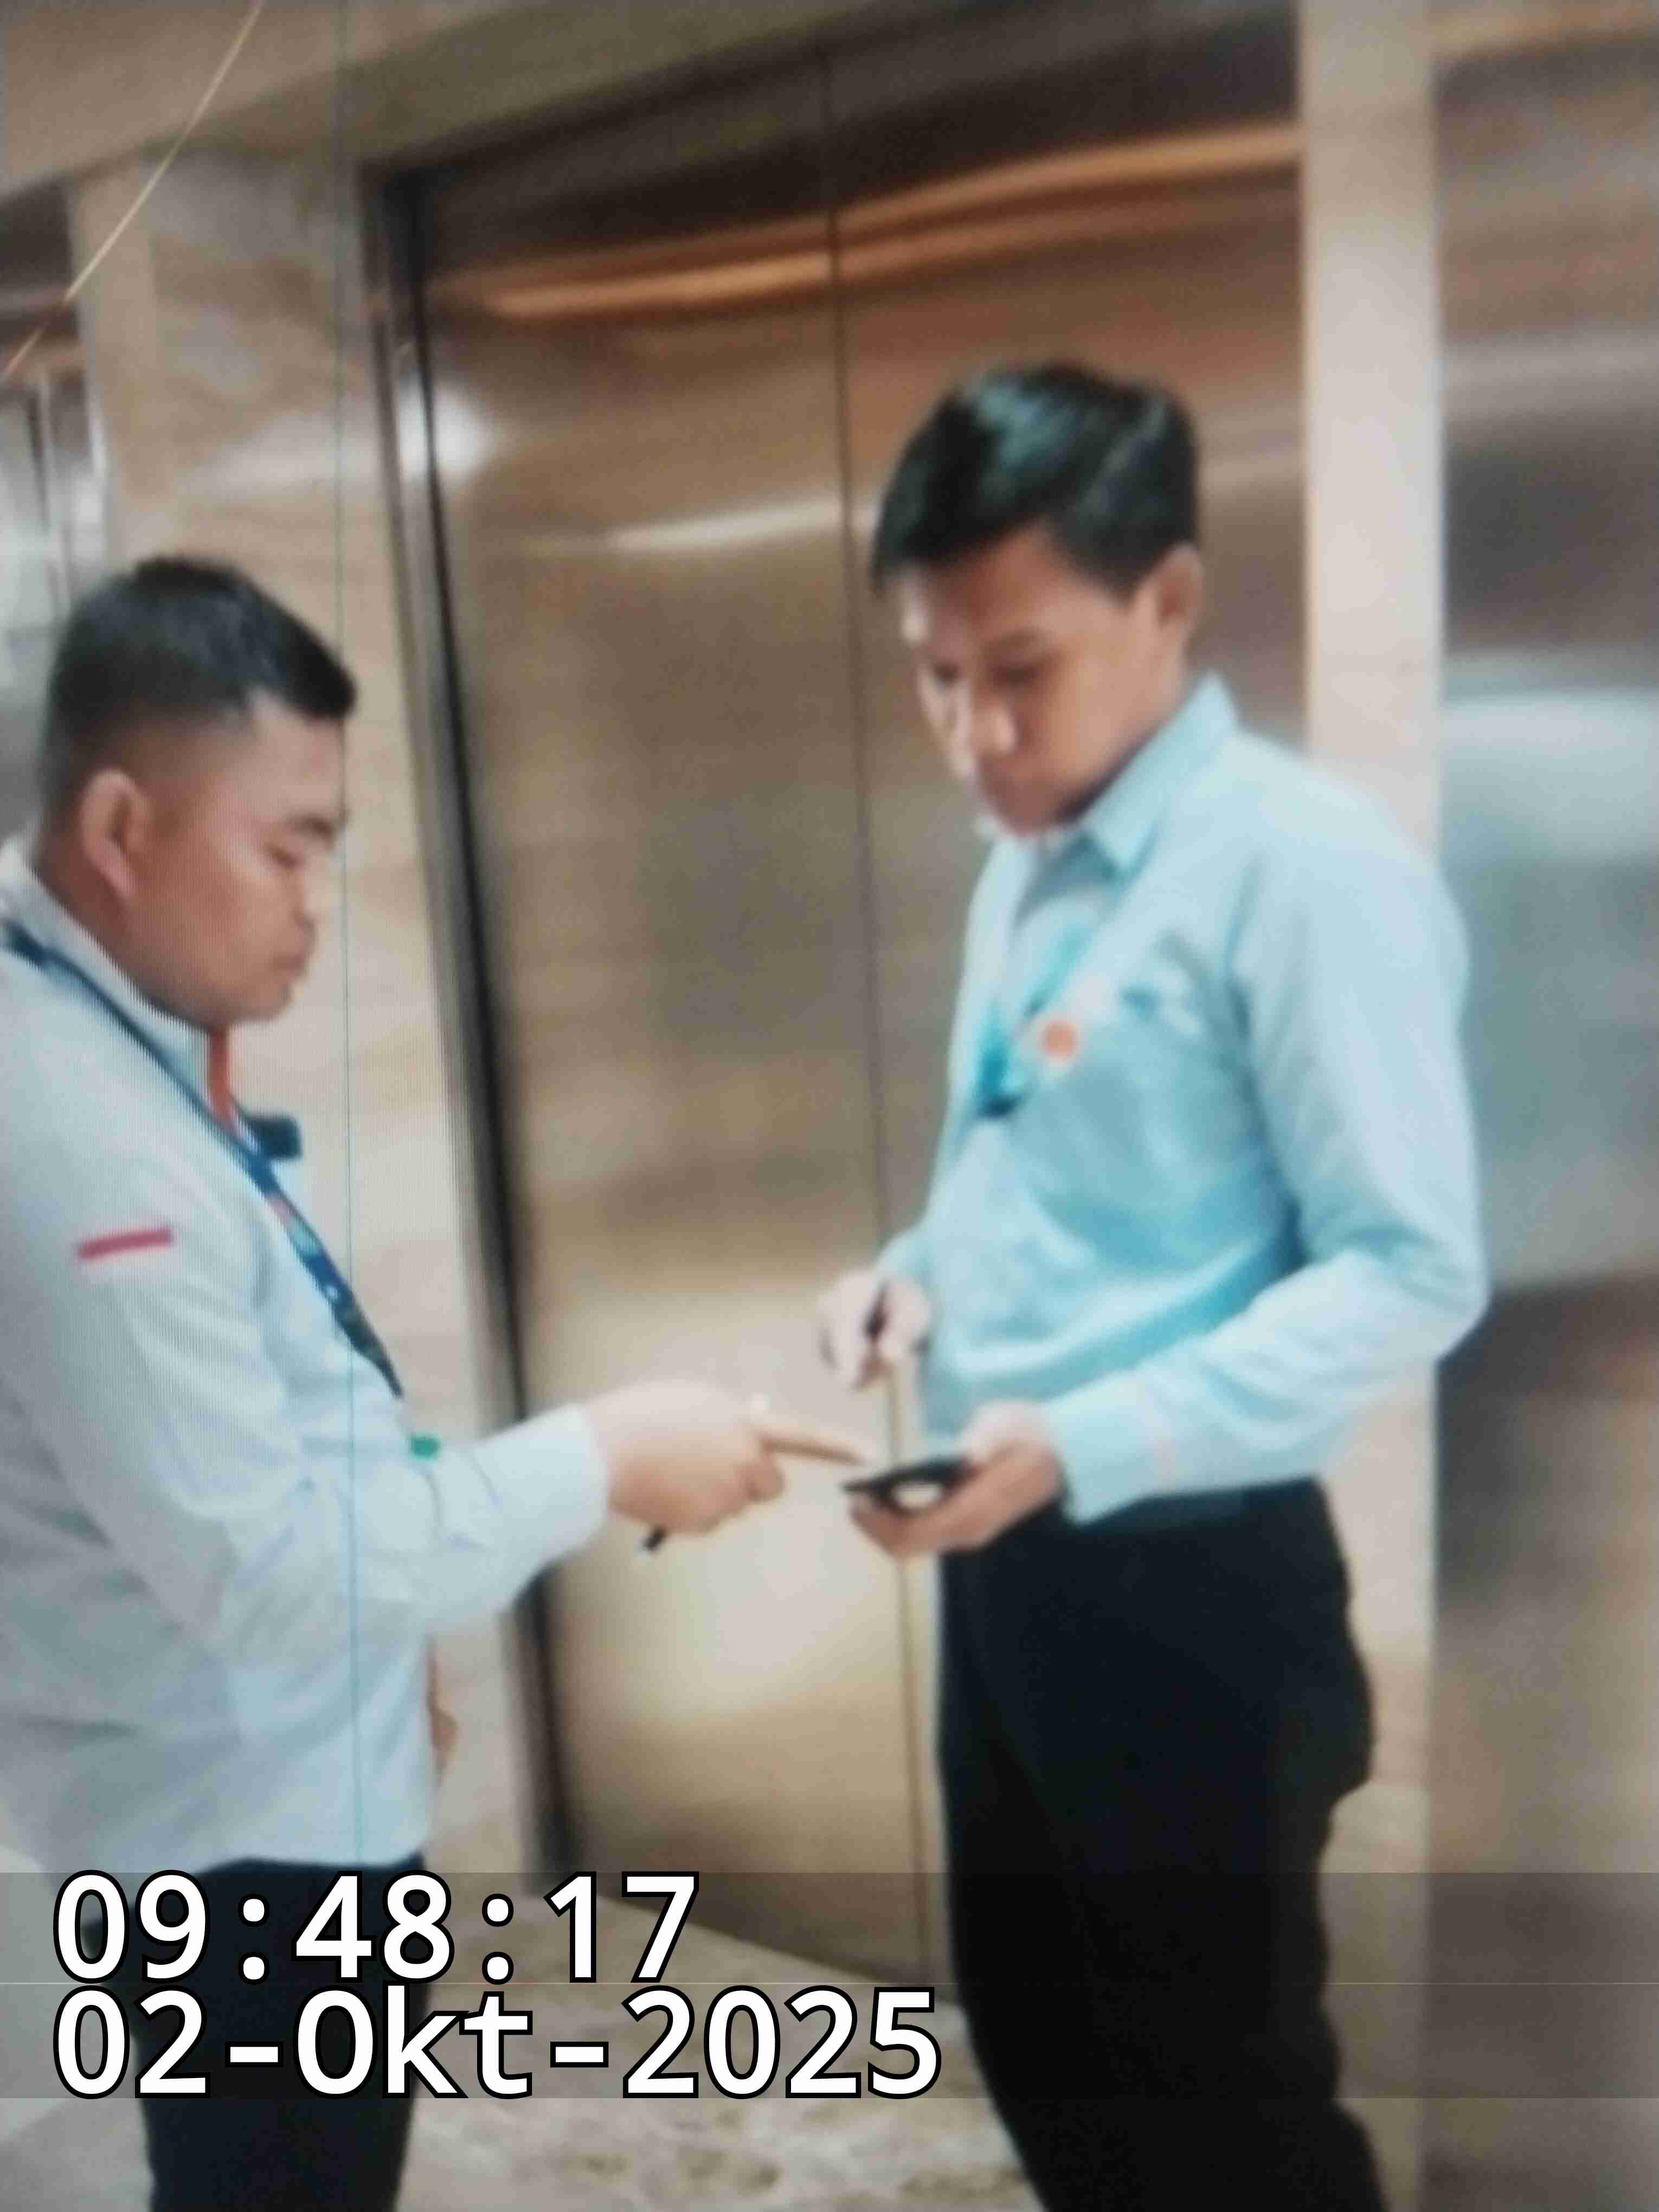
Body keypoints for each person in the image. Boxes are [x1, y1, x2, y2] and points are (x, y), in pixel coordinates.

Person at [0, 557, 860, 2212]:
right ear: (119, 829)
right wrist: (602, 1456)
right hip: (235, 1861)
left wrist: (384, 1655)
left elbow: (260, 1421)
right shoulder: (73, 1130)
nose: (316, 902)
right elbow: (260, 1572)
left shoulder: (99, 1026)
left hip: (258, 1790)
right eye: (286, 849)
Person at [818, 365, 1486, 2211]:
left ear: (1168, 600)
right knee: (1049, 2060)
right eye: (935, 674)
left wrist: (1089, 1435)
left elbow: (1412, 1267)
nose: (973, 731)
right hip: (1006, 1571)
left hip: (1191, 1601)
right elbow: (1030, 1169)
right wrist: (907, 1284)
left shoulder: (1299, 872)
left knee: (1228, 2127)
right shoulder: (1023, 864)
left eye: (1018, 669)